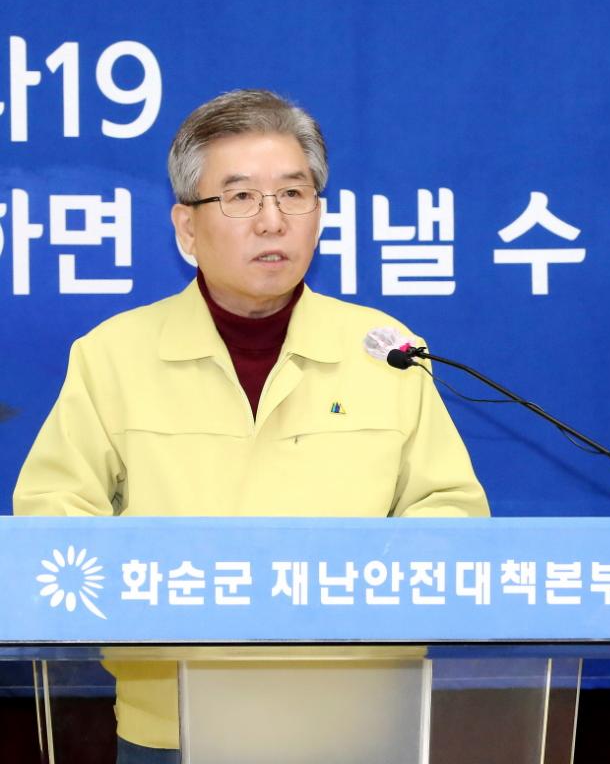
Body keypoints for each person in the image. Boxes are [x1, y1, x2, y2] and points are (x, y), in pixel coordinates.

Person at [13, 89, 489, 762]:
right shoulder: (113, 356)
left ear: (319, 215)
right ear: (187, 227)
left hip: (355, 721)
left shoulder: (387, 352)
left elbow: (452, 514)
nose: (272, 221)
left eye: (293, 194)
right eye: (240, 197)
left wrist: (354, 594)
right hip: (174, 725)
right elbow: (52, 520)